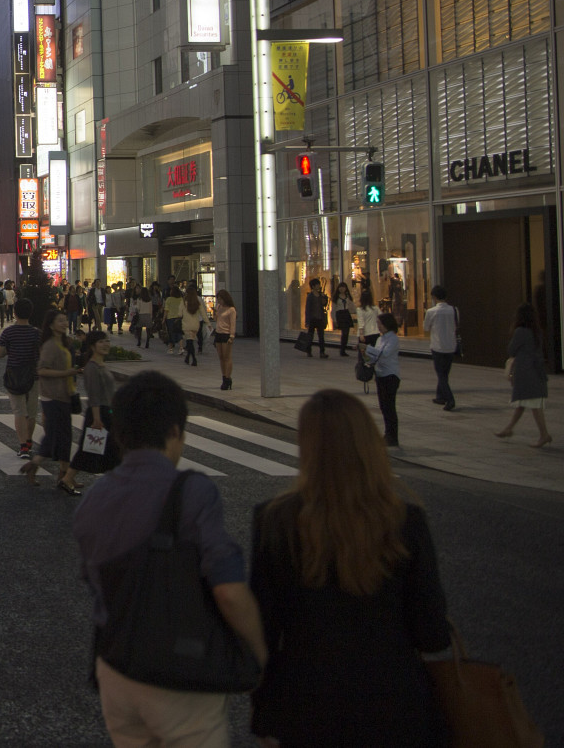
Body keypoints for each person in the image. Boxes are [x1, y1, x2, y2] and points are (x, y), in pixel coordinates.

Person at [73, 370, 268, 748]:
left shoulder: (92, 500)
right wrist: (259, 656)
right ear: (176, 431)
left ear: (120, 434)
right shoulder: (191, 491)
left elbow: (95, 584)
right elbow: (228, 590)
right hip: (179, 674)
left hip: (116, 667)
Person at [250, 389, 451, 748]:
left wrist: (264, 709)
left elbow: (261, 631)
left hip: (306, 708)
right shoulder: (405, 522)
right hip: (394, 708)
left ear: (307, 448)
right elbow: (433, 635)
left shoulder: (275, 521)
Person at [22, 311, 82, 494]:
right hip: (53, 396)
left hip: (64, 394)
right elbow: (41, 370)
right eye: (60, 321)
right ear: (51, 325)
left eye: (65, 320)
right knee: (55, 435)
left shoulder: (64, 343)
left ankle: (64, 474)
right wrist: (66, 373)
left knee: (64, 436)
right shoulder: (49, 346)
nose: (64, 323)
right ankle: (35, 464)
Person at [496, 303, 552, 448]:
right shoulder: (537, 332)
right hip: (537, 372)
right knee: (523, 403)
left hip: (526, 373)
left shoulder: (520, 332)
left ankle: (544, 434)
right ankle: (509, 428)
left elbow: (511, 350)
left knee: (533, 404)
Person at [0, 299, 42, 460]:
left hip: (14, 375)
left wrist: (11, 349)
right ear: (31, 313)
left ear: (14, 313)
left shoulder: (9, 332)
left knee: (19, 412)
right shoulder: (36, 333)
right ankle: (29, 441)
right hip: (33, 376)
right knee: (31, 412)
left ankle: (23, 446)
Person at [364, 314, 402, 447]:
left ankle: (393, 436)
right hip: (380, 375)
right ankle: (387, 433)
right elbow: (375, 357)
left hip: (390, 375)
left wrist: (367, 348)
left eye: (380, 323)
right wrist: (366, 356)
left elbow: (384, 354)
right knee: (383, 406)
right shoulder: (380, 339)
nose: (378, 326)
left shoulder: (393, 338)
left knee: (389, 407)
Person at [424, 286, 458, 411]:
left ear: (434, 297)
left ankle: (450, 399)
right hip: (451, 345)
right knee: (445, 373)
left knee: (441, 374)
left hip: (438, 345)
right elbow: (456, 325)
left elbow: (426, 327)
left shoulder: (431, 311)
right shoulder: (454, 310)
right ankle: (440, 396)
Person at [214, 289, 236, 391]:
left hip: (226, 334)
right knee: (221, 357)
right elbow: (216, 319)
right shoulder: (218, 307)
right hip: (218, 333)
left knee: (227, 357)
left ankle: (227, 378)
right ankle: (223, 376)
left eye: (220, 299)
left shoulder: (231, 310)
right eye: (218, 299)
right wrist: (215, 313)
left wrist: (232, 336)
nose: (219, 301)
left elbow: (232, 323)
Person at [302, 278, 330, 358]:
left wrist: (325, 298)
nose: (319, 286)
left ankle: (322, 352)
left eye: (319, 284)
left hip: (320, 318)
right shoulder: (310, 296)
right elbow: (308, 309)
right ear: (313, 286)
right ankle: (309, 351)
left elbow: (324, 304)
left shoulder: (321, 295)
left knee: (321, 336)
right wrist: (307, 321)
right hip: (312, 319)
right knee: (310, 336)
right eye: (317, 284)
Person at [179, 290, 204, 367]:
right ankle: (188, 357)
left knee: (189, 342)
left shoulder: (184, 302)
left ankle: (193, 358)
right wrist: (207, 322)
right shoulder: (198, 300)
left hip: (187, 324)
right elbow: (203, 311)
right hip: (196, 323)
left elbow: (180, 314)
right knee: (191, 341)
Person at [332, 281, 356, 357]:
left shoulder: (348, 297)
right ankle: (342, 349)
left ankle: (343, 349)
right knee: (344, 332)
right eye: (340, 287)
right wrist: (334, 320)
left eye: (343, 287)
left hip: (346, 314)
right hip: (340, 314)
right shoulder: (336, 298)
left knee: (346, 333)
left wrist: (356, 311)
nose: (342, 289)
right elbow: (333, 309)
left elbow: (352, 306)